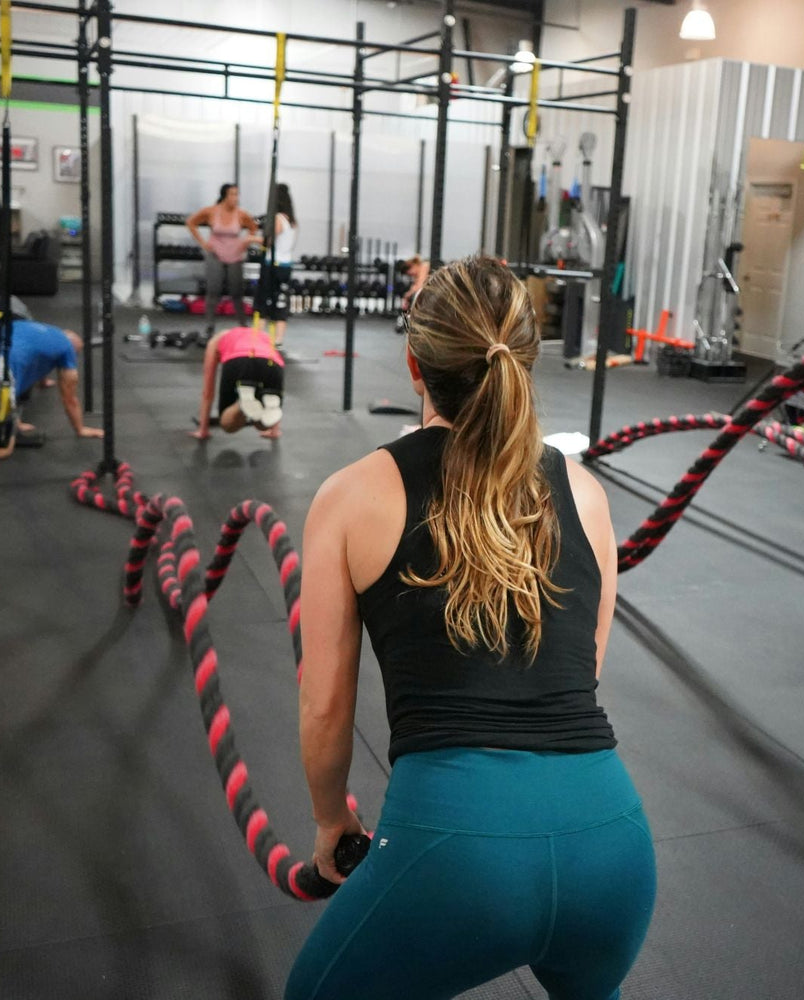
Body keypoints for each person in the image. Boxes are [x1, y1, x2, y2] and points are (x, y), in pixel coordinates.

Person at [287, 255, 656, 1000]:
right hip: (615, 849)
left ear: (415, 364)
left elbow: (326, 707)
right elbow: (582, 675)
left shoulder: (350, 497)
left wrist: (332, 820)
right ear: (525, 358)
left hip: (459, 855)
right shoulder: (584, 492)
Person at [0, 319, 104, 460]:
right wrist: (80, 429)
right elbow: (69, 399)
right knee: (5, 448)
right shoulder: (67, 348)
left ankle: (14, 421)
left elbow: (36, 356)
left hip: (5, 361)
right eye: (75, 355)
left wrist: (43, 381)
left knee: (17, 393)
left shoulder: (42, 331)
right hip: (4, 374)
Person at [186, 184, 260, 339]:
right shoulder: (211, 211)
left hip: (235, 254)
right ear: (225, 196)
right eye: (232, 194)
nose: (236, 198)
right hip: (215, 254)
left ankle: (243, 326)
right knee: (213, 290)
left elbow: (253, 228)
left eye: (237, 194)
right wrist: (203, 243)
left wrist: (246, 243)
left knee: (237, 292)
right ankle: (209, 327)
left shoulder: (241, 214)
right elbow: (191, 222)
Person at [189, 325, 284, 441]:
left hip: (238, 360)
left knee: (227, 426)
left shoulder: (216, 340)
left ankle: (241, 404)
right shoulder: (262, 335)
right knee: (263, 423)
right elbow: (276, 354)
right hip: (272, 362)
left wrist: (203, 430)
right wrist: (275, 431)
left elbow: (207, 392)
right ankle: (259, 400)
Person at [255, 183, 298, 350]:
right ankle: (278, 339)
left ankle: (258, 337)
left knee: (264, 300)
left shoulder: (278, 219)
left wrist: (251, 238)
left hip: (272, 265)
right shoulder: (292, 221)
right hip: (285, 265)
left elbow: (268, 242)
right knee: (280, 300)